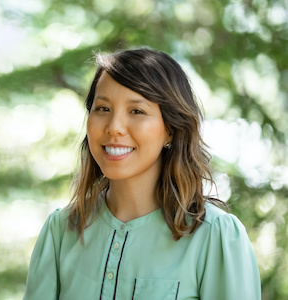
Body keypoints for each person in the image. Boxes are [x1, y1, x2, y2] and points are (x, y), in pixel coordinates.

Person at [23, 48, 261, 300]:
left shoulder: (215, 237)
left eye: (136, 111)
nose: (114, 128)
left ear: (170, 129)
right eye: (102, 108)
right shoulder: (61, 231)